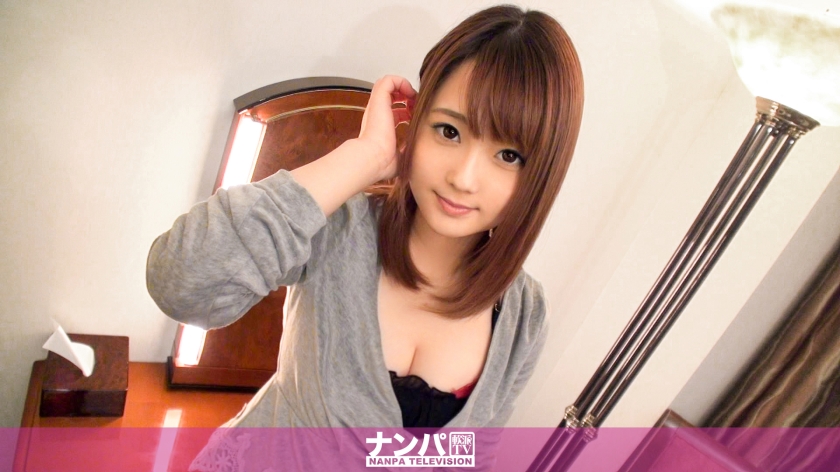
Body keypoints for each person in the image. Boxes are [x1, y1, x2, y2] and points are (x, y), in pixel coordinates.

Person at [146, 4, 583, 470]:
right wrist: (365, 157)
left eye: (509, 155)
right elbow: (181, 285)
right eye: (449, 131)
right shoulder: (339, 226)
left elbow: (472, 456)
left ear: (542, 174)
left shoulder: (524, 317)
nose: (464, 177)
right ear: (415, 120)